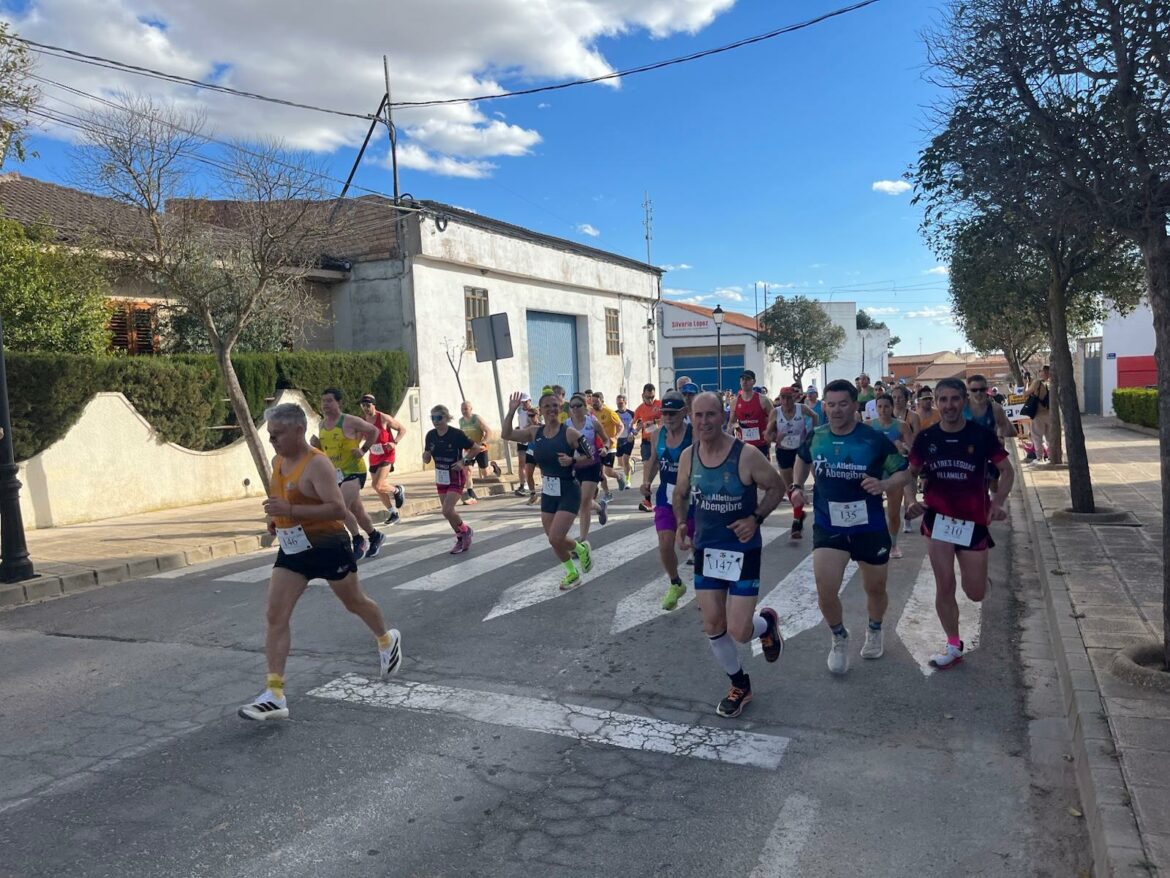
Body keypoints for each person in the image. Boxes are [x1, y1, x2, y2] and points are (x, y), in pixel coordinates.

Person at [239, 403, 400, 722]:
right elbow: (285, 501)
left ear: (299, 431)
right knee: (275, 613)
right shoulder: (278, 461)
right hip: (294, 549)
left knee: (354, 602)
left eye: (278, 434)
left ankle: (386, 638)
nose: (273, 441)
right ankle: (274, 694)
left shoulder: (318, 465)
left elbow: (339, 510)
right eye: (270, 435)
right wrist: (277, 519)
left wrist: (291, 510)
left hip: (328, 545)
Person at [673, 392, 786, 718]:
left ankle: (765, 624)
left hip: (742, 550)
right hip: (707, 549)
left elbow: (776, 486)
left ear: (723, 416)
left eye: (711, 415)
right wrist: (682, 523)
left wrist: (756, 519)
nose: (704, 422)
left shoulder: (746, 455)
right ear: (690, 418)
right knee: (712, 622)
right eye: (699, 416)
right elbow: (680, 493)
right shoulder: (688, 456)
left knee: (739, 630)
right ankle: (740, 684)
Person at [790, 379, 912, 675]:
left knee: (875, 587)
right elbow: (802, 458)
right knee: (825, 589)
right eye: (830, 404)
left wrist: (883, 483)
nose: (836, 410)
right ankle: (839, 636)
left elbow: (904, 472)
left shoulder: (872, 438)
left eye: (843, 404)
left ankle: (874, 628)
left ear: (855, 405)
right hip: (829, 524)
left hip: (868, 526)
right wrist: (796, 485)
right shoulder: (816, 436)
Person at [906, 378, 1014, 669]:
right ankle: (953, 643)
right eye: (943, 399)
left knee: (975, 593)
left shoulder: (980, 436)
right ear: (936, 402)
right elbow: (910, 473)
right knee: (945, 585)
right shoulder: (927, 439)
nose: (948, 405)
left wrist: (998, 502)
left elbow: (1007, 471)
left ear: (964, 401)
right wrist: (910, 500)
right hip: (938, 521)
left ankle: (979, 580)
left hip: (973, 522)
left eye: (955, 399)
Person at [503, 390, 592, 589]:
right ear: (541, 410)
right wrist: (511, 411)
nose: (552, 409)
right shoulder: (535, 432)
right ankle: (573, 569)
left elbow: (590, 454)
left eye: (555, 406)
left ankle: (579, 551)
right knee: (554, 540)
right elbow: (506, 434)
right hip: (549, 492)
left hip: (568, 490)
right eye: (547, 406)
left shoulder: (569, 433)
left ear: (560, 409)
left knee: (555, 536)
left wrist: (573, 460)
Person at [313, 388, 384, 561]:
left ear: (339, 403)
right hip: (336, 474)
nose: (325, 405)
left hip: (354, 471)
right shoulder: (322, 425)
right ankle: (375, 536)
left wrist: (363, 450)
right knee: (357, 511)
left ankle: (358, 540)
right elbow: (326, 450)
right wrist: (316, 446)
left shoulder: (350, 421)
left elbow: (374, 431)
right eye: (323, 401)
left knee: (340, 507)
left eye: (329, 401)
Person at [640, 391, 694, 611]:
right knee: (664, 543)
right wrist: (646, 482)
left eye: (672, 413)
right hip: (666, 494)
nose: (668, 417)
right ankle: (676, 583)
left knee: (697, 546)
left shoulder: (695, 434)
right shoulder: (657, 435)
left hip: (693, 497)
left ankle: (707, 588)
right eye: (664, 413)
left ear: (683, 412)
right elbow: (654, 461)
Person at [765, 385, 819, 539]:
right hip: (783, 452)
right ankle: (799, 513)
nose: (786, 401)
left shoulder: (801, 408)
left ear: (794, 398)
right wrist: (776, 438)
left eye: (789, 398)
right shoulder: (776, 413)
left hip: (800, 452)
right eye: (783, 398)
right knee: (789, 487)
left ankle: (796, 522)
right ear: (780, 399)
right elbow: (767, 435)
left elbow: (815, 416)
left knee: (798, 484)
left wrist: (812, 433)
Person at [423, 405, 475, 554]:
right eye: (433, 418)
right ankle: (460, 537)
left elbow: (476, 448)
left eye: (439, 418)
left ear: (446, 417)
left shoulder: (456, 434)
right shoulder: (430, 435)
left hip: (455, 476)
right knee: (447, 512)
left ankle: (465, 531)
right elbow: (427, 455)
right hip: (441, 476)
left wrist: (463, 462)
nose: (436, 421)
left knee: (446, 509)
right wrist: (425, 457)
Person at [870, 394, 914, 559]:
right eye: (879, 406)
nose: (883, 410)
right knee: (873, 510)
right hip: (875, 471)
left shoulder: (901, 426)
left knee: (893, 512)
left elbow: (912, 450)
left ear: (892, 407)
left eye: (886, 406)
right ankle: (876, 541)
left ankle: (893, 545)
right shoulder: (869, 426)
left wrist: (901, 447)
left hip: (894, 472)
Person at [567, 392, 610, 541]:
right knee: (579, 500)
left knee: (584, 502)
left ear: (585, 407)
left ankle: (582, 540)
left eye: (578, 405)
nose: (575, 409)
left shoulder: (593, 422)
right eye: (572, 406)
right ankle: (599, 507)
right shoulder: (566, 425)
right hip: (574, 467)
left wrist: (605, 448)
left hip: (592, 465)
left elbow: (606, 440)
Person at [359, 394, 407, 525]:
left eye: (368, 405)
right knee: (378, 487)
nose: (365, 408)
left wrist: (394, 442)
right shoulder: (362, 421)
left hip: (387, 454)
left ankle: (397, 490)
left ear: (374, 405)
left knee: (377, 484)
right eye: (363, 405)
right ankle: (393, 513)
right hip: (374, 455)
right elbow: (361, 437)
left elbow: (402, 429)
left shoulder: (384, 418)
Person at [964, 373, 1016, 494]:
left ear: (987, 389)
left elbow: (1003, 424)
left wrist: (1000, 436)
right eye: (974, 390)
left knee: (992, 485)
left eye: (982, 389)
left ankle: (994, 506)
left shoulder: (995, 408)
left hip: (990, 452)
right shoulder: (961, 407)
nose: (978, 393)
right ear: (969, 390)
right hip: (968, 453)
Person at [891, 384, 922, 535]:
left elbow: (917, 439)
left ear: (907, 399)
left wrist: (905, 445)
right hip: (890, 458)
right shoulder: (887, 413)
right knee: (894, 491)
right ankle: (893, 519)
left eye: (900, 397)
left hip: (908, 457)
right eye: (894, 397)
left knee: (909, 489)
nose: (897, 400)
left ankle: (908, 518)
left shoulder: (913, 417)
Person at [458, 400, 500, 505]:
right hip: (469, 449)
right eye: (462, 409)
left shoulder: (476, 419)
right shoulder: (461, 421)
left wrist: (483, 442)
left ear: (471, 409)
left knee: (485, 472)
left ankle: (493, 467)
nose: (464, 411)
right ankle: (470, 495)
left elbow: (488, 431)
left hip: (480, 449)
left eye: (466, 409)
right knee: (467, 471)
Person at [729, 370, 774, 462]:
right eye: (742, 379)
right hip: (744, 445)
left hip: (761, 444)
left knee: (762, 474)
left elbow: (775, 417)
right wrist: (734, 427)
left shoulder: (763, 400)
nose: (744, 382)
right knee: (746, 474)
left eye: (748, 379)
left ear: (754, 382)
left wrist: (769, 431)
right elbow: (732, 422)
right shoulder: (735, 402)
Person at [633, 384, 663, 512]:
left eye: (652, 397)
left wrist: (655, 422)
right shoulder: (639, 409)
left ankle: (657, 496)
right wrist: (634, 431)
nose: (650, 400)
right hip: (646, 442)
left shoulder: (660, 405)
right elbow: (634, 425)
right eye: (647, 397)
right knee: (647, 467)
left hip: (660, 441)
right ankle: (647, 500)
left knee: (658, 469)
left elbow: (667, 419)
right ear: (642, 395)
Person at [591, 391, 624, 498]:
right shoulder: (591, 413)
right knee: (599, 472)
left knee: (608, 472)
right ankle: (607, 493)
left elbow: (621, 426)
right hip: (598, 447)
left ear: (602, 401)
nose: (594, 403)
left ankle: (619, 476)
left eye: (596, 401)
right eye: (593, 401)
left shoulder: (610, 412)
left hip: (610, 446)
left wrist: (616, 437)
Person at [512, 393, 539, 499]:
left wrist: (530, 427)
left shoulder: (534, 411)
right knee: (521, 463)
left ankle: (543, 483)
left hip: (531, 440)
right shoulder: (519, 411)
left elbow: (538, 424)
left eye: (526, 401)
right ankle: (523, 485)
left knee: (537, 463)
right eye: (522, 402)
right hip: (522, 439)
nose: (524, 404)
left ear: (530, 401)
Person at [1025, 365, 1052, 463]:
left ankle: (1039, 458)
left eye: (1040, 370)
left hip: (1038, 414)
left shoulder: (1038, 383)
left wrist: (1027, 383)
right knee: (1050, 437)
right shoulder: (1052, 383)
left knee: (1037, 436)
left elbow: (1025, 393)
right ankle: (1051, 457)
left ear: (1044, 372)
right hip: (1050, 414)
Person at [614, 394, 636, 485]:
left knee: (625, 459)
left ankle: (628, 480)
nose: (619, 404)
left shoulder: (631, 414)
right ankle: (631, 463)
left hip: (628, 439)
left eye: (621, 402)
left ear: (625, 402)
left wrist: (633, 433)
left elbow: (636, 425)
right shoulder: (614, 414)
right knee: (620, 463)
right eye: (618, 403)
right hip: (618, 440)